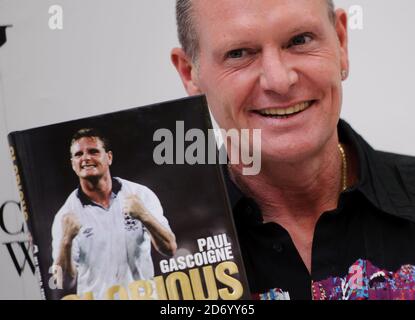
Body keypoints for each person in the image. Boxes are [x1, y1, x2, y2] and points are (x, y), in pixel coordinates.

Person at [171, 0, 415, 300]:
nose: (279, 81)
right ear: (189, 73)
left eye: (299, 40)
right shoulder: (152, 255)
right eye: (239, 53)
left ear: (341, 42)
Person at [51, 128, 177, 299]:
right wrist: (66, 240)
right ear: (73, 163)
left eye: (93, 151)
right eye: (79, 154)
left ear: (109, 157)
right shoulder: (66, 216)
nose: (86, 158)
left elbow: (170, 248)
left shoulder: (140, 194)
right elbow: (63, 283)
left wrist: (144, 216)